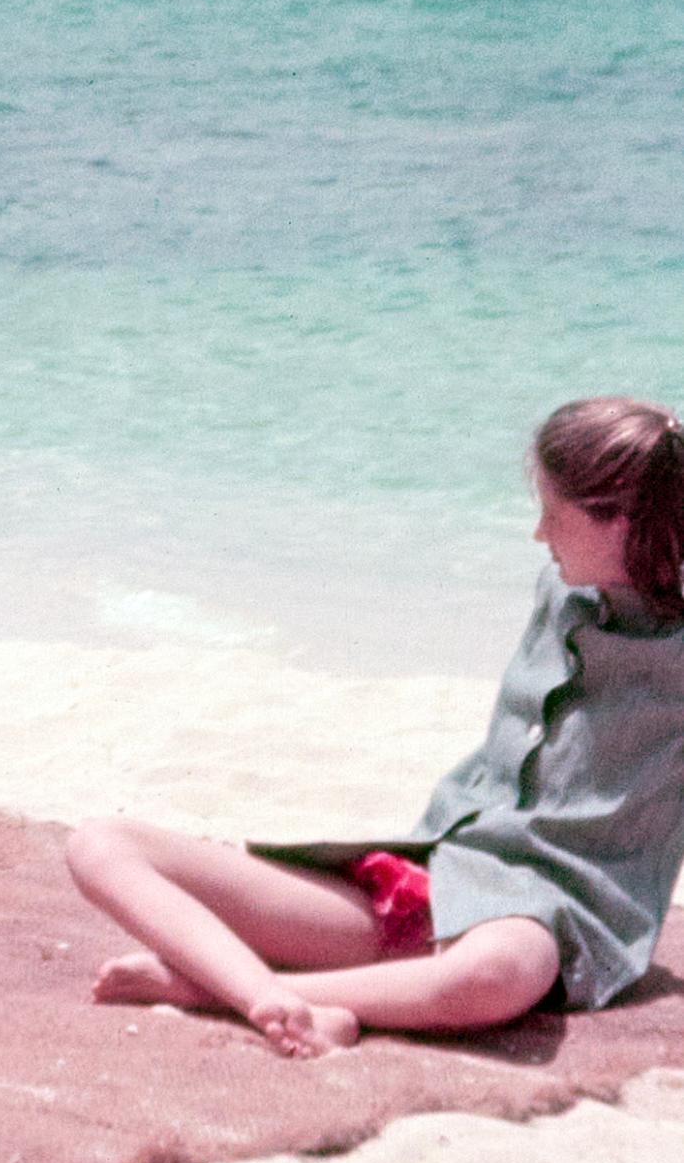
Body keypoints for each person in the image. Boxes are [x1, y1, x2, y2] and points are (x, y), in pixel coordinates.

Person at [67, 397, 684, 1058]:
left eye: (553, 515)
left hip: (544, 924)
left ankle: (229, 989)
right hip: (433, 887)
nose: (539, 533)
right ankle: (269, 995)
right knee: (102, 844)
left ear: (618, 520)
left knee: (494, 974)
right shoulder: (559, 592)